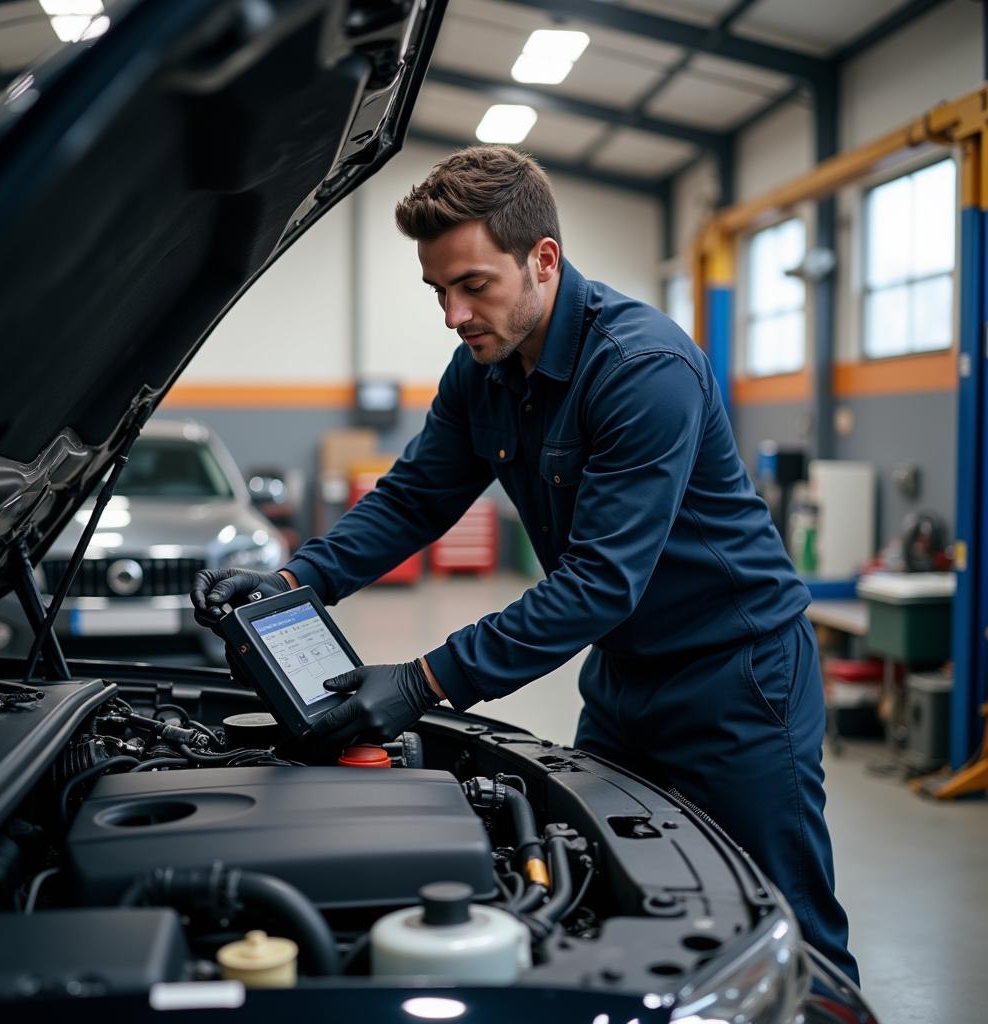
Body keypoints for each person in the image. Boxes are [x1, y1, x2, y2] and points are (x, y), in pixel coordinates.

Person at [190, 145, 859, 983]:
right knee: (611, 895)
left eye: (474, 284)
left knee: (791, 921)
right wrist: (297, 579)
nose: (453, 313)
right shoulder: (485, 369)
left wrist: (424, 680)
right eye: (439, 290)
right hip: (625, 680)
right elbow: (415, 498)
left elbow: (600, 582)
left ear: (543, 259)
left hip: (739, 678)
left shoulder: (643, 369)